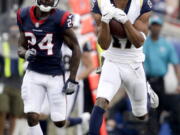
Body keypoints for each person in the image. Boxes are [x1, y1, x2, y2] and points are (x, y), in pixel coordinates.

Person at [89, 0, 159, 134]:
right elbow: (103, 44)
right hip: (112, 60)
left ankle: (146, 88)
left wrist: (125, 21)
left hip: (133, 63)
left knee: (141, 115)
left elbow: (138, 42)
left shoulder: (141, 4)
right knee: (101, 101)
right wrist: (105, 21)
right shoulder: (101, 3)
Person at [16, 0, 81, 134]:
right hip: (33, 73)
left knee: (59, 122)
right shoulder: (24, 14)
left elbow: (76, 47)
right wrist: (25, 53)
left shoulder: (60, 18)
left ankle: (80, 120)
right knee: (31, 116)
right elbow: (20, 47)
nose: (47, 0)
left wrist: (73, 79)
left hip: (55, 75)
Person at [143, 15, 180, 135]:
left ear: (161, 27)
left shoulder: (166, 44)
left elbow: (175, 64)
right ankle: (151, 132)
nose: (155, 28)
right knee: (151, 111)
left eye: (157, 25)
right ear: (150, 27)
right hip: (147, 81)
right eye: (153, 25)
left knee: (165, 108)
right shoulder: (144, 43)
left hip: (161, 82)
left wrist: (179, 83)